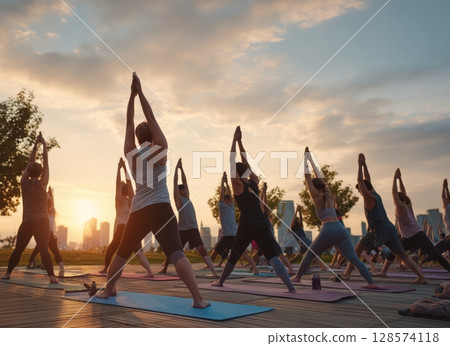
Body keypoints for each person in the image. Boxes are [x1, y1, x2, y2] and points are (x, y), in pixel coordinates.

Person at [97, 73, 209, 308]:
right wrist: (142, 94)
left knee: (121, 252)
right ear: (153, 134)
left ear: (138, 138)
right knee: (176, 252)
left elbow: (128, 123)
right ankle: (198, 300)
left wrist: (131, 96)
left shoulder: (132, 154)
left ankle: (108, 291)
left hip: (138, 210)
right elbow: (151, 117)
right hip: (159, 207)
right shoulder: (160, 150)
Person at [212, 126, 295, 293]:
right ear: (247, 172)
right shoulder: (254, 181)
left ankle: (221, 282)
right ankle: (290, 287)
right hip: (262, 222)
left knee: (235, 253)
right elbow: (246, 163)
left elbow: (232, 162)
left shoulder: (237, 185)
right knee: (272, 255)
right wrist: (241, 142)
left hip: (248, 222)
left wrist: (234, 141)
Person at [292, 148, 379, 289]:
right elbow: (318, 176)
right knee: (354, 259)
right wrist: (311, 158)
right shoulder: (327, 192)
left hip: (328, 229)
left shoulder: (316, 196)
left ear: (314, 188)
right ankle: (371, 283)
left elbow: (308, 177)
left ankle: (297, 277)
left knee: (310, 254)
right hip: (340, 228)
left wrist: (305, 159)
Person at [356, 154, 427, 283]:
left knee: (358, 248)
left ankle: (347, 274)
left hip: (379, 230)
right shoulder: (376, 194)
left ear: (364, 190)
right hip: (390, 228)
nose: (360, 193)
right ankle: (422, 278)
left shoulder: (369, 198)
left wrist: (359, 165)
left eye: (360, 191)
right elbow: (367, 180)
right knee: (403, 255)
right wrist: (365, 165)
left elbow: (361, 182)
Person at [2, 132, 58, 283]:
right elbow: (46, 163)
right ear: (40, 173)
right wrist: (44, 145)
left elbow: (30, 163)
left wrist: (35, 145)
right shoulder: (43, 183)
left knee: (19, 249)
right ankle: (52, 277)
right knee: (44, 249)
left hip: (27, 221)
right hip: (42, 221)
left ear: (28, 171)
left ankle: (7, 273)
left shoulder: (23, 183)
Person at [372, 169, 450, 275]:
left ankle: (384, 271)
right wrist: (400, 179)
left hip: (417, 235)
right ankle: (384, 271)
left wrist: (395, 178)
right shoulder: (408, 205)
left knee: (436, 255)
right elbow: (403, 192)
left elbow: (394, 192)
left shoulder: (400, 207)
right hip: (409, 237)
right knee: (393, 251)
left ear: (398, 200)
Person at [158, 158, 217, 277]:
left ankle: (214, 272)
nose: (185, 190)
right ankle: (164, 268)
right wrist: (175, 170)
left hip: (193, 229)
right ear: (179, 192)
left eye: (185, 189)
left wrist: (181, 168)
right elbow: (175, 184)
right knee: (173, 250)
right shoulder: (178, 201)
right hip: (182, 230)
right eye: (183, 190)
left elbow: (185, 181)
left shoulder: (188, 198)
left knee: (202, 250)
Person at [99, 158, 154, 277]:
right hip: (132, 228)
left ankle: (105, 269)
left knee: (112, 249)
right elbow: (129, 183)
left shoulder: (119, 201)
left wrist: (118, 169)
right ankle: (149, 272)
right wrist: (124, 169)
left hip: (122, 229)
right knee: (139, 252)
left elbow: (118, 184)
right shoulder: (132, 200)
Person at [208, 172, 259, 274]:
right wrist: (225, 183)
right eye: (229, 199)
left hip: (230, 236)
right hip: (229, 236)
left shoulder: (230, 207)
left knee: (242, 253)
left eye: (230, 199)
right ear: (226, 201)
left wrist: (225, 183)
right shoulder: (225, 207)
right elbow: (222, 195)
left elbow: (227, 194)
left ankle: (255, 269)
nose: (231, 200)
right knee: (217, 252)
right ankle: (210, 268)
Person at [26, 186, 65, 277]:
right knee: (43, 250)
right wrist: (48, 194)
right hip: (45, 234)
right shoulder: (44, 212)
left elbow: (50, 203)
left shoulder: (51, 212)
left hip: (48, 235)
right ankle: (59, 267)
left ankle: (60, 267)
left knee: (47, 250)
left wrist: (50, 194)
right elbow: (43, 202)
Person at [260, 182, 295, 275]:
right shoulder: (267, 216)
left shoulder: (265, 216)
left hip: (269, 239)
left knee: (278, 256)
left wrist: (263, 190)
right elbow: (263, 202)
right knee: (276, 256)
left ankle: (290, 269)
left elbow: (261, 202)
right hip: (269, 239)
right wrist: (264, 191)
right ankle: (287, 269)